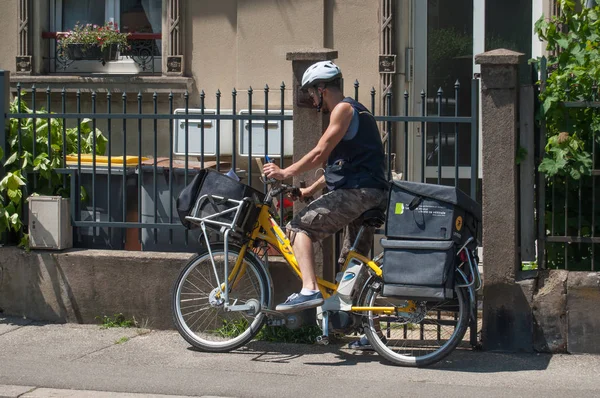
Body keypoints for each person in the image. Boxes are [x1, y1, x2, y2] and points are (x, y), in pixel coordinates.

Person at [263, 60, 389, 313]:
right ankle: (363, 327)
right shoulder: (360, 111)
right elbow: (340, 167)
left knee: (299, 228)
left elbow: (320, 152)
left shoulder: (343, 109)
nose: (311, 99)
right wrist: (309, 191)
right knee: (353, 262)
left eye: (311, 92)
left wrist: (285, 172)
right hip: (371, 192)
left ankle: (309, 289)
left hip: (359, 193)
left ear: (321, 89)